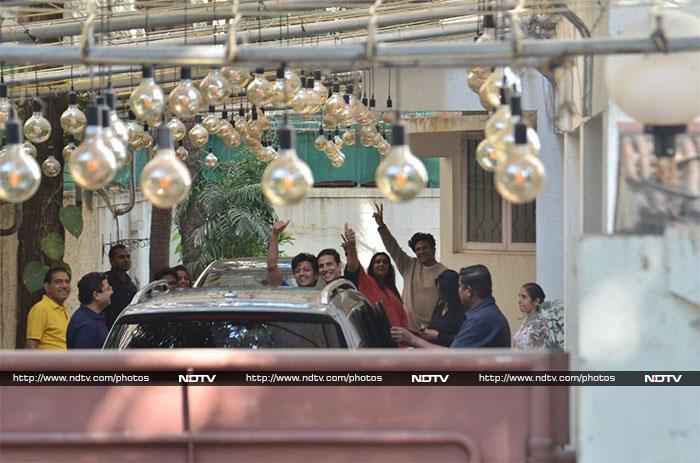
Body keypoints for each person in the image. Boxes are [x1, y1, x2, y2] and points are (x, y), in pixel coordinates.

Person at [390, 265, 510, 349]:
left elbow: (454, 357)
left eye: (459, 286)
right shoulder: (485, 313)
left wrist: (412, 340)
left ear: (468, 290)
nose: (458, 291)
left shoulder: (481, 319)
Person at [373, 203, 447, 330]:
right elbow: (393, 248)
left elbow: (447, 305)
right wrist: (382, 226)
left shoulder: (444, 272)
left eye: (425, 248)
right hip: (405, 328)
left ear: (433, 249)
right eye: (418, 249)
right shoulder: (409, 266)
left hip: (430, 332)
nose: (421, 252)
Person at [341, 225, 408, 329]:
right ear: (372, 266)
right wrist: (352, 247)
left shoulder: (392, 291)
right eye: (377, 262)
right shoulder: (367, 282)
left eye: (385, 262)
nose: (381, 264)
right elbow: (353, 267)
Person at [391, 269, 466, 347]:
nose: (440, 295)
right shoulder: (441, 304)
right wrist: (426, 331)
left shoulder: (463, 311)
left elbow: (463, 341)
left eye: (443, 292)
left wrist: (438, 336)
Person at [26, 267, 72, 350]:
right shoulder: (40, 309)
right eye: (58, 282)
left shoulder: (64, 309)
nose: (65, 286)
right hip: (48, 363)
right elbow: (31, 346)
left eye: (67, 282)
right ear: (47, 287)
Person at [267, 219, 320, 288]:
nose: (301, 273)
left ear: (316, 275)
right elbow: (272, 267)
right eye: (297, 271)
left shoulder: (325, 295)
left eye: (306, 270)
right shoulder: (288, 293)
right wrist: (275, 234)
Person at [67, 272, 113, 349]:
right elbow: (83, 359)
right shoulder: (86, 325)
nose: (112, 292)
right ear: (96, 295)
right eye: (108, 289)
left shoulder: (92, 317)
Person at [513, 283, 558, 351]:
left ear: (536, 301)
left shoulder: (540, 325)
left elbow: (538, 354)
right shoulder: (527, 321)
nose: (519, 301)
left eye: (524, 297)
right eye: (519, 296)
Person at [104, 244, 138, 329]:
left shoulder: (131, 284)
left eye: (128, 257)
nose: (126, 260)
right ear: (112, 261)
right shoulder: (105, 282)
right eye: (121, 257)